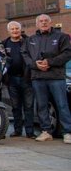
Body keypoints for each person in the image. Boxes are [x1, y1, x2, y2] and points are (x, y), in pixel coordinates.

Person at [22, 14, 71, 144]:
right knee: (42, 105)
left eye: (46, 21)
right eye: (41, 21)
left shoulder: (62, 37)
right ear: (37, 24)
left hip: (56, 77)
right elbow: (25, 54)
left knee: (62, 105)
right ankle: (46, 132)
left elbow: (67, 53)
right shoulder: (31, 39)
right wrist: (34, 65)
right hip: (38, 77)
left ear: (50, 23)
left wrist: (50, 62)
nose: (43, 23)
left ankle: (67, 132)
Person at [2, 21, 35, 138]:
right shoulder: (4, 44)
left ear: (20, 30)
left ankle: (30, 132)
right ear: (9, 31)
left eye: (17, 28)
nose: (15, 30)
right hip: (12, 80)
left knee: (29, 106)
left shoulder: (29, 42)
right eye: (12, 29)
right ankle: (17, 130)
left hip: (27, 79)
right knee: (16, 107)